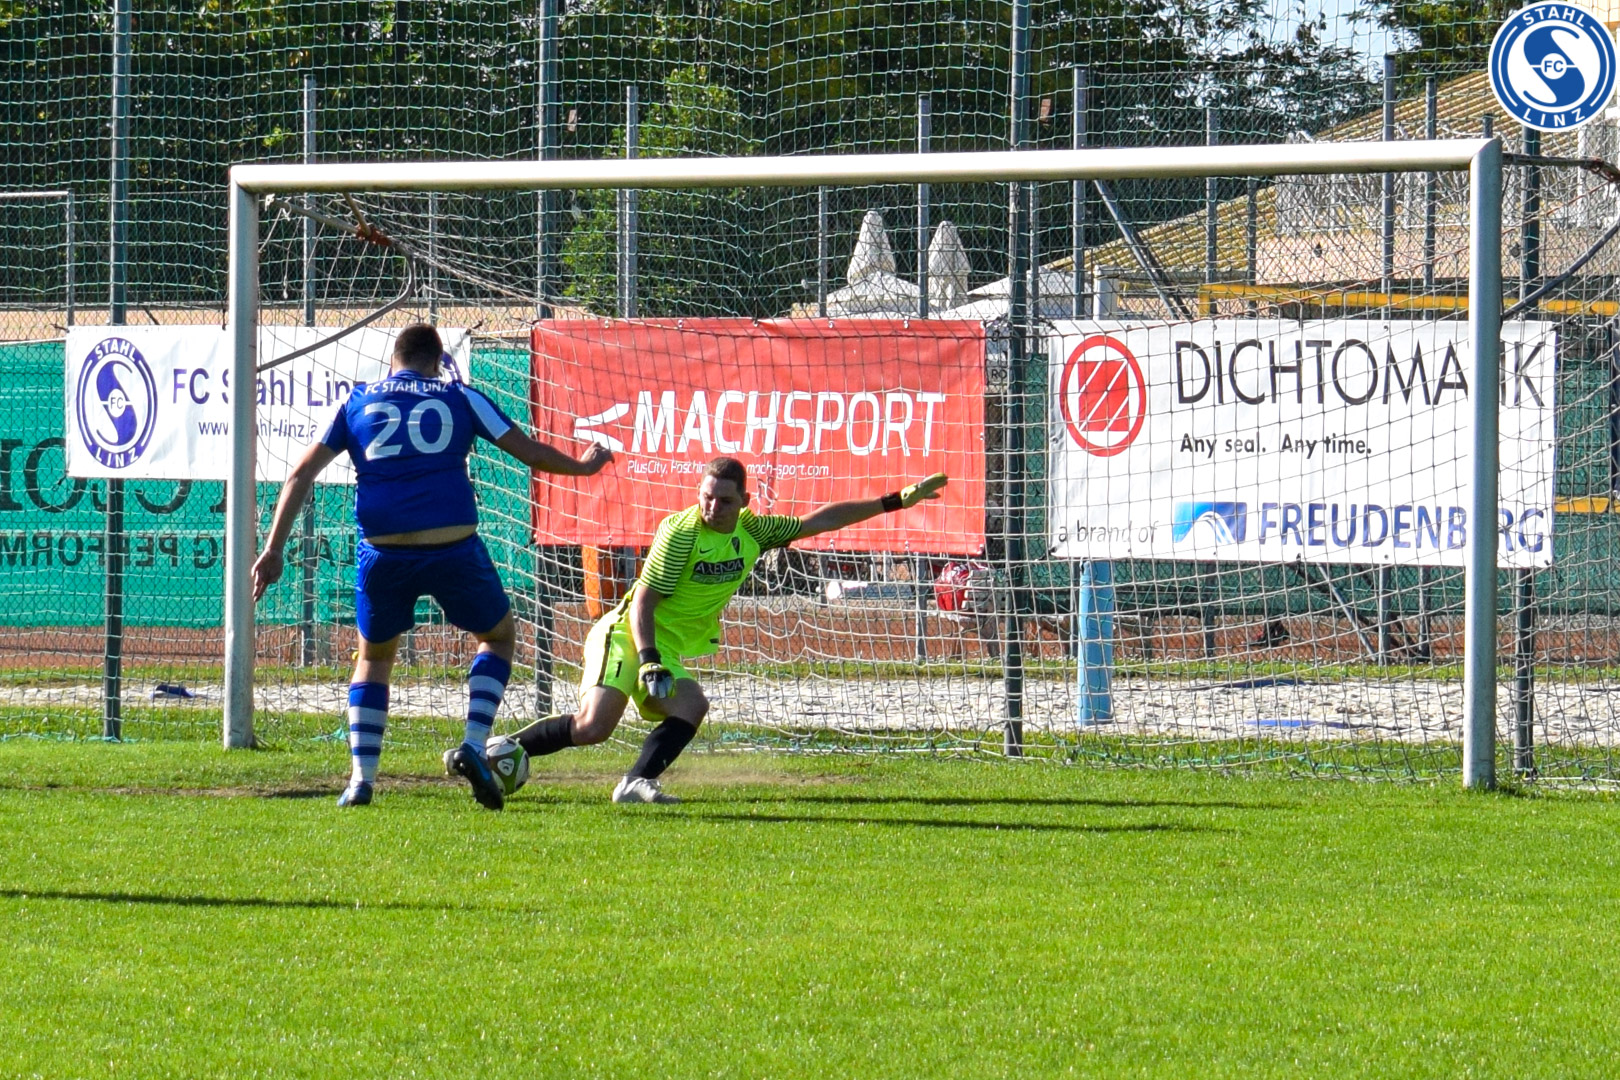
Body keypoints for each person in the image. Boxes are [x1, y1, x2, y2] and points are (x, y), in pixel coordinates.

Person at [251, 323, 611, 809]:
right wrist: (583, 466)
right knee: (498, 636)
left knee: (374, 659)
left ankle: (361, 780)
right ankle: (473, 744)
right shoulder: (459, 395)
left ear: (393, 361)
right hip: (452, 547)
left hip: (383, 552)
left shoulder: (356, 401)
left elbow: (301, 473)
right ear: (438, 362)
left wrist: (274, 549)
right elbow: (528, 452)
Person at [505, 456, 946, 803]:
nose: (712, 508)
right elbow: (643, 601)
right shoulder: (681, 532)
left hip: (665, 646)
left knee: (691, 704)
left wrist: (894, 502)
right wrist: (649, 660)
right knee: (592, 727)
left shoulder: (754, 531)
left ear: (745, 501)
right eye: (706, 497)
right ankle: (501, 749)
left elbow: (820, 522)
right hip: (627, 635)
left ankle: (636, 783)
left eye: (724, 501)